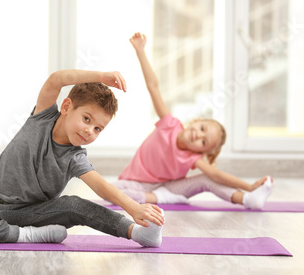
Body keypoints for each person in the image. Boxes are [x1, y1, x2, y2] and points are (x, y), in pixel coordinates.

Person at [0, 70, 165, 247]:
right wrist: (100, 76)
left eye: (98, 128)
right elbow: (56, 79)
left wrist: (134, 208)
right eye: (86, 119)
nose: (90, 130)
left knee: (74, 205)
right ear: (66, 107)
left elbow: (101, 186)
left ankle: (136, 233)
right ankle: (28, 236)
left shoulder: (75, 157)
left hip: (34, 214)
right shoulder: (42, 117)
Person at [113, 32, 273, 210]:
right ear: (196, 121)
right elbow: (153, 87)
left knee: (206, 179)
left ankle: (247, 200)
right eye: (202, 128)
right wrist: (140, 51)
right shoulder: (169, 124)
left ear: (202, 151)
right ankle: (156, 198)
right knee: (113, 191)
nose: (198, 135)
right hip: (135, 184)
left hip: (170, 189)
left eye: (203, 142)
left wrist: (249, 187)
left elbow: (216, 175)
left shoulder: (192, 158)